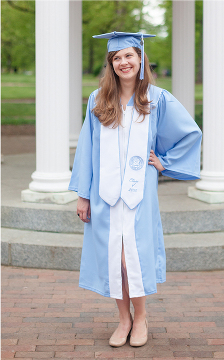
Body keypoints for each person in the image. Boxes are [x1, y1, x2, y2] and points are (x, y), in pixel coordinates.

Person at [69, 31, 202, 347]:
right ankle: (123, 319)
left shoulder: (157, 99)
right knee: (114, 259)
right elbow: (87, 149)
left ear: (141, 58)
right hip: (105, 195)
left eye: (129, 55)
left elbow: (190, 134)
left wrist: (163, 162)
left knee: (133, 259)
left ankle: (140, 318)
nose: (123, 62)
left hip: (138, 196)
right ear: (111, 64)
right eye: (116, 57)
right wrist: (83, 195)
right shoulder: (98, 100)